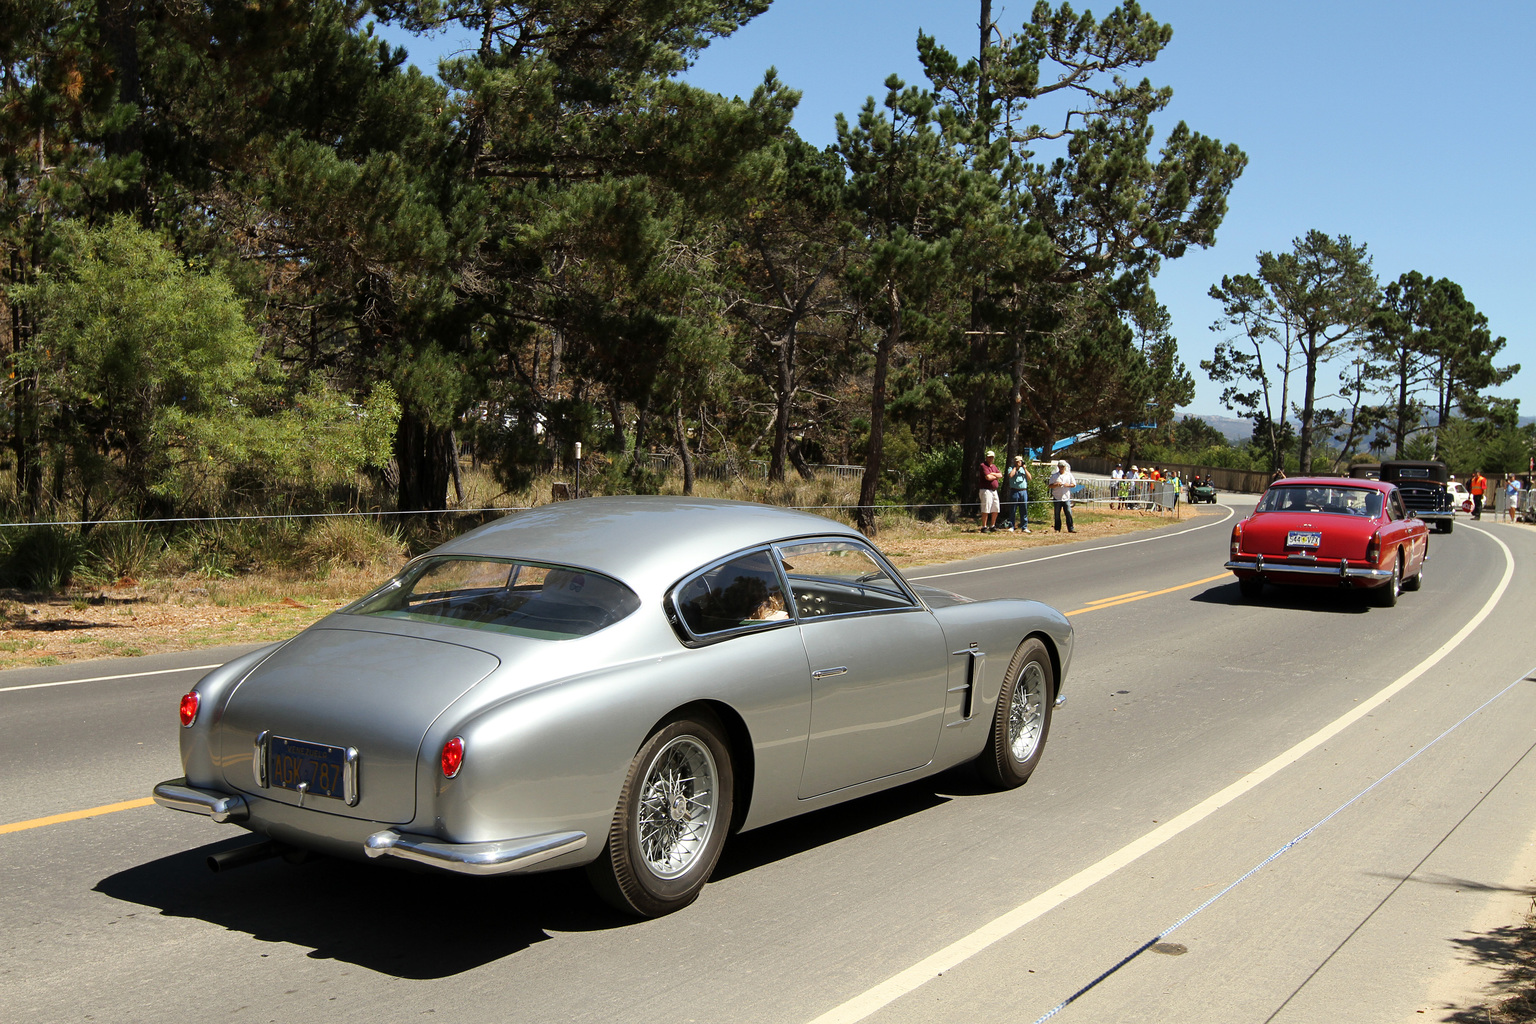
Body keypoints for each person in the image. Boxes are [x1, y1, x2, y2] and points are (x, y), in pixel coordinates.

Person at [1004, 455, 1032, 532]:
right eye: (1017, 461)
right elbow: (1010, 475)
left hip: (1023, 491)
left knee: (1024, 510)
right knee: (1013, 509)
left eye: (1019, 461)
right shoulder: (1011, 468)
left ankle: (1024, 527)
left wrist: (1025, 469)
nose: (1018, 463)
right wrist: (1015, 468)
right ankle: (1011, 526)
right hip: (1014, 491)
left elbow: (1030, 478)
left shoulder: (1024, 469)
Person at [1048, 459, 1076, 533]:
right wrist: (1056, 484)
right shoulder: (1054, 476)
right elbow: (1050, 485)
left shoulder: (1069, 475)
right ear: (1058, 467)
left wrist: (1068, 485)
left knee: (1068, 513)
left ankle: (1071, 528)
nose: (1062, 468)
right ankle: (1057, 528)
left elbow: (1074, 484)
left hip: (1066, 497)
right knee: (1057, 514)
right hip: (1057, 497)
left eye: (1063, 466)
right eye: (1060, 466)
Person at [978, 450, 1002, 532]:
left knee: (996, 508)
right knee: (986, 508)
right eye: (989, 457)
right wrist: (995, 475)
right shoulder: (983, 466)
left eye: (992, 457)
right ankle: (984, 526)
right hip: (986, 490)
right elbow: (988, 477)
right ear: (986, 457)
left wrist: (993, 474)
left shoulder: (994, 466)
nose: (990, 459)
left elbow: (1000, 475)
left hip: (994, 490)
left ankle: (992, 525)